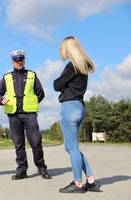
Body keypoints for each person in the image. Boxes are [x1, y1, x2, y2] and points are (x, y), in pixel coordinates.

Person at [0, 50, 51, 180]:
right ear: (12, 62)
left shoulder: (32, 75)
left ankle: (41, 168)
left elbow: (40, 93)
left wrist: (31, 103)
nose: (19, 62)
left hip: (29, 115)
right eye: (16, 61)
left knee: (36, 142)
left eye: (21, 60)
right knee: (18, 144)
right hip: (13, 115)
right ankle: (22, 170)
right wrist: (1, 100)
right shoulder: (7, 77)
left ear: (24, 61)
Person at [53, 36, 101, 193]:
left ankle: (78, 183)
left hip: (69, 107)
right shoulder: (83, 66)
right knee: (71, 146)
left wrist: (62, 84)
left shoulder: (72, 66)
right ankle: (91, 180)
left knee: (72, 147)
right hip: (80, 106)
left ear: (68, 49)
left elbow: (56, 84)